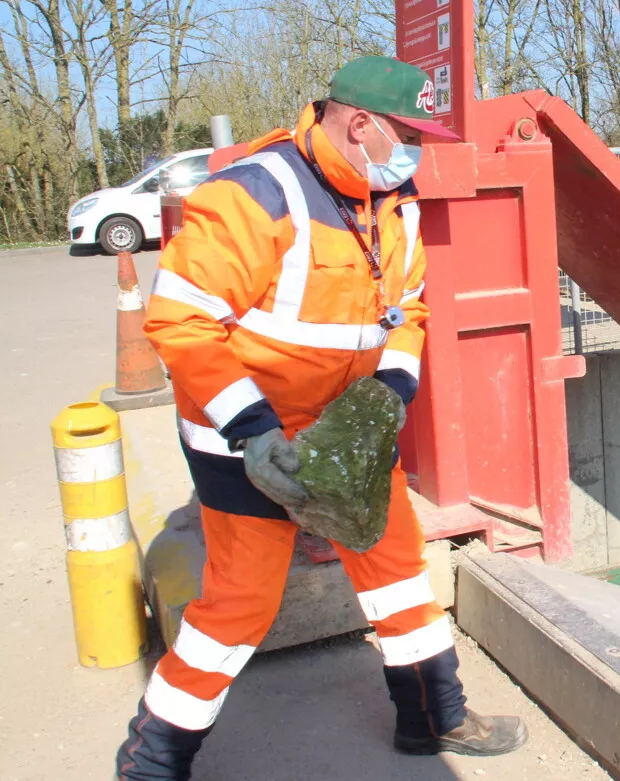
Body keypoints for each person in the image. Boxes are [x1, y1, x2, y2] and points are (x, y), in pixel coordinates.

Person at [115, 56, 527, 780]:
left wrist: (389, 394)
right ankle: (153, 761)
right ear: (360, 122)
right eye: (410, 136)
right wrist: (254, 430)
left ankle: (434, 715)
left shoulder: (391, 198)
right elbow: (181, 322)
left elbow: (410, 310)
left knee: (398, 570)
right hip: (247, 438)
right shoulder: (252, 194)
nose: (418, 154)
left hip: (343, 431)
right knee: (240, 606)